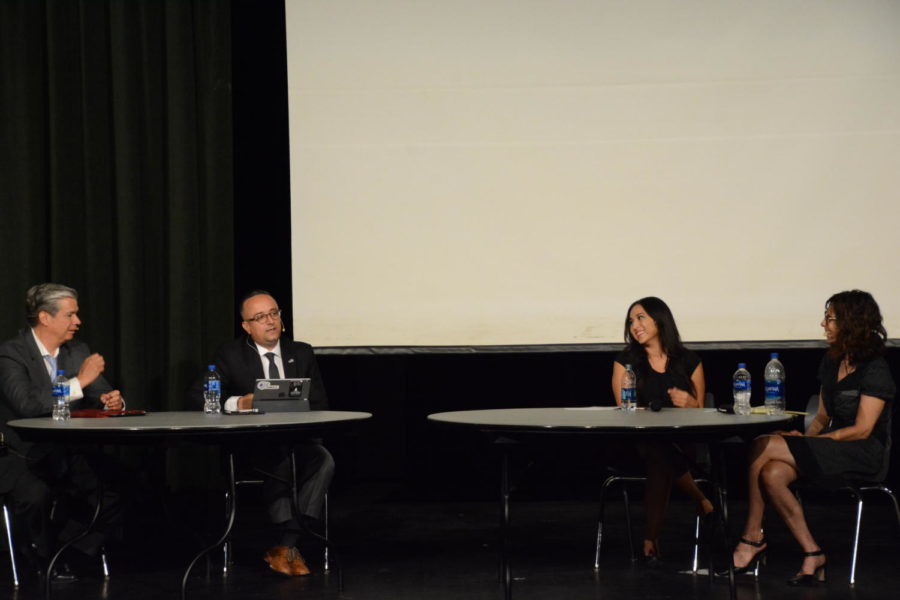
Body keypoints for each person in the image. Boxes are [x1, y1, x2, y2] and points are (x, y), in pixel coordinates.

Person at [729, 290, 895, 586]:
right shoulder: (832, 362)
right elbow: (820, 417)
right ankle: (813, 552)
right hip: (831, 445)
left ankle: (752, 536)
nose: (823, 324)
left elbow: (863, 429)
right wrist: (803, 438)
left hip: (863, 452)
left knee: (761, 444)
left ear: (851, 322)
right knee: (772, 472)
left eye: (830, 318)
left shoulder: (876, 369)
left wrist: (809, 445)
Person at [189, 290, 333, 577]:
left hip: (298, 440)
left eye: (274, 313)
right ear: (246, 326)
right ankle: (289, 546)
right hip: (253, 444)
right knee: (279, 459)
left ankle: (286, 543)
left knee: (324, 460)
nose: (270, 321)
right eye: (260, 317)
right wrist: (238, 403)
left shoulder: (301, 352)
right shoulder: (230, 355)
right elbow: (197, 396)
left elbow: (320, 403)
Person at [0, 283, 125, 578]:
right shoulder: (10, 354)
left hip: (69, 451)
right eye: (70, 315)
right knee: (36, 496)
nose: (77, 322)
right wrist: (78, 383)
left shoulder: (77, 350)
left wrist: (112, 401)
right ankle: (36, 554)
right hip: (23, 455)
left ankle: (66, 550)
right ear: (45, 317)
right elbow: (27, 404)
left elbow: (100, 393)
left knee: (119, 488)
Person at [611, 296, 714, 565]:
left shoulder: (689, 361)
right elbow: (624, 407)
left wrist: (691, 404)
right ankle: (700, 499)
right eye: (631, 320)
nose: (635, 325)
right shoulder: (626, 362)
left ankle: (650, 539)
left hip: (681, 441)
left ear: (659, 319)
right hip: (637, 441)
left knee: (662, 454)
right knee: (657, 450)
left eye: (641, 317)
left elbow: (702, 411)